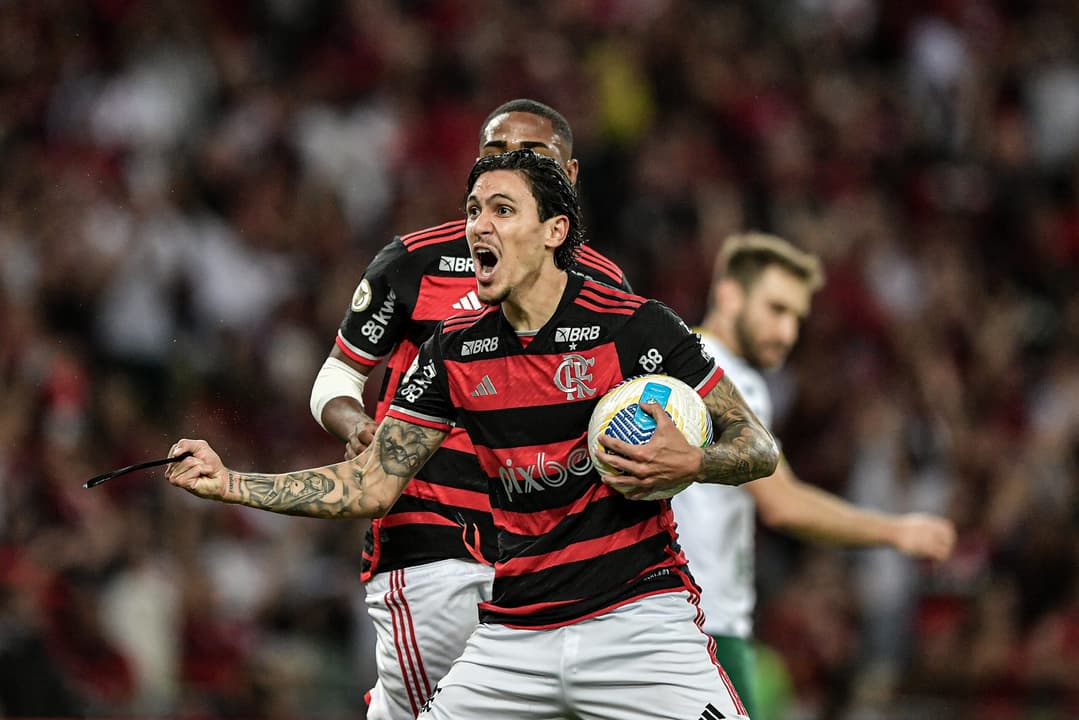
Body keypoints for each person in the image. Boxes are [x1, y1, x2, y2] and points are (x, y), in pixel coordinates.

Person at [166, 149, 780, 719]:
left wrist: (694, 462)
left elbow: (758, 447)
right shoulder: (453, 352)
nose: (477, 226)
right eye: (472, 211)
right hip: (514, 634)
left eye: (502, 210)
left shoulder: (636, 327)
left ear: (554, 232)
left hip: (638, 623)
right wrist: (229, 483)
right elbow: (370, 485)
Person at [307, 99, 631, 719]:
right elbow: (337, 373)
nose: (510, 165)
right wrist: (356, 423)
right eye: (493, 155)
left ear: (571, 174)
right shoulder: (415, 263)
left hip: (545, 561)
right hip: (431, 547)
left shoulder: (604, 286)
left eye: (532, 156)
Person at [671, 232, 958, 718]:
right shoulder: (726, 376)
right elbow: (784, 504)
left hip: (661, 617)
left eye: (796, 318)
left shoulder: (666, 361)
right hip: (704, 629)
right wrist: (895, 530)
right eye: (775, 309)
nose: (787, 332)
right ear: (729, 295)